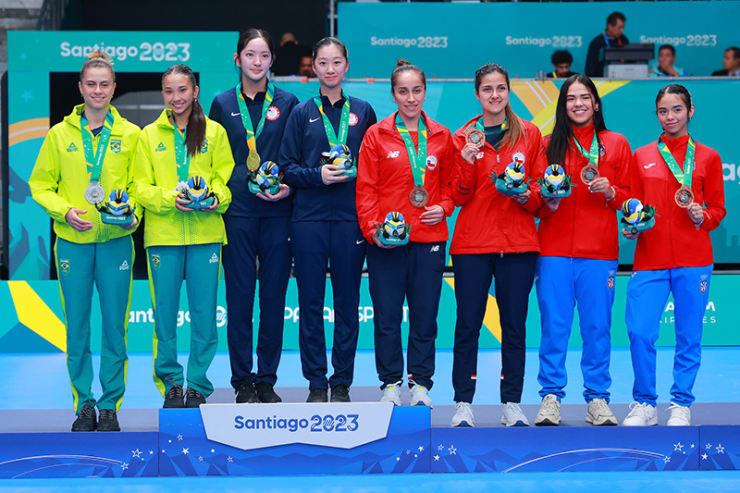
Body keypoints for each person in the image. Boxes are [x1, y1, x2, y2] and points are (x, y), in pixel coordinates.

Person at [29, 50, 141, 432]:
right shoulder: (59, 135)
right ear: (80, 88)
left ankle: (109, 406)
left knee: (114, 327)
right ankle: (84, 404)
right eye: (90, 84)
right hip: (73, 244)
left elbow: (137, 187)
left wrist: (132, 212)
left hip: (115, 242)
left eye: (104, 84)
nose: (97, 90)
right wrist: (64, 211)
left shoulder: (130, 135)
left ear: (113, 88)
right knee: (77, 326)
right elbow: (40, 186)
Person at [449, 63, 546, 428]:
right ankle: (463, 402)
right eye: (487, 89)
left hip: (519, 244)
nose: (494, 95)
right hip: (473, 245)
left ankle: (512, 403)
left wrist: (524, 195)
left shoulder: (530, 134)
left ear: (509, 92)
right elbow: (457, 197)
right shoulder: (464, 137)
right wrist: (467, 164)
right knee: (467, 325)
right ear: (477, 94)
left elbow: (540, 193)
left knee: (515, 327)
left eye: (501, 88)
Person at [280, 37, 377, 403]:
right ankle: (316, 383)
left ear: (346, 65)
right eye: (323, 62)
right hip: (308, 221)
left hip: (351, 220)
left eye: (337, 62)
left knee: (348, 303)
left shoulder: (364, 112)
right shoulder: (301, 112)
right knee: (310, 302)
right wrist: (316, 177)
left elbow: (374, 165)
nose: (330, 69)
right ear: (314, 68)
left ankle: (341, 383)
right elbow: (288, 168)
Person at [622, 84, 725, 426]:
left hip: (694, 259)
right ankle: (645, 403)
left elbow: (718, 210)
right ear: (657, 115)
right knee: (639, 331)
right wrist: (631, 226)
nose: (670, 117)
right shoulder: (641, 156)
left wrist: (703, 216)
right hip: (649, 259)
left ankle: (680, 402)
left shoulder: (708, 157)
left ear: (690, 110)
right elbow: (633, 207)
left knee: (689, 334)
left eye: (677, 109)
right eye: (664, 111)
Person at [133, 64, 234, 409]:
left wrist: (212, 199)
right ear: (163, 94)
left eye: (182, 90)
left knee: (205, 315)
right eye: (168, 91)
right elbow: (139, 188)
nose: (175, 98)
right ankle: (172, 384)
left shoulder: (215, 133)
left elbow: (225, 183)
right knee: (164, 315)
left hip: (206, 235)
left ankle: (199, 386)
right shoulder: (148, 136)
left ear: (195, 91)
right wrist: (167, 200)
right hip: (163, 236)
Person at [534, 74, 631, 427]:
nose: (578, 103)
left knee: (596, 328)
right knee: (554, 327)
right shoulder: (547, 145)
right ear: (563, 105)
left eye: (584, 97)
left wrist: (613, 192)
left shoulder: (616, 143)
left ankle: (598, 399)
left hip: (599, 253)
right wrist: (548, 203)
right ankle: (550, 397)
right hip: (554, 251)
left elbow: (632, 198)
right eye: (571, 98)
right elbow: (534, 199)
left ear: (596, 103)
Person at [356, 60, 454, 407]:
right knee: (386, 315)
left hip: (429, 239)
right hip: (387, 241)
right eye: (403, 91)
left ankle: (421, 384)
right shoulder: (376, 135)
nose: (411, 98)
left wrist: (443, 206)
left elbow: (451, 185)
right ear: (393, 94)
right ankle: (390, 384)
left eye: (417, 90)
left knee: (425, 314)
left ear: (425, 92)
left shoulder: (443, 136)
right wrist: (372, 231)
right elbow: (366, 188)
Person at [209, 29, 299, 404]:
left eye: (264, 55)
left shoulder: (291, 102)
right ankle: (242, 381)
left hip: (278, 212)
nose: (257, 62)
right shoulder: (220, 102)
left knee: (274, 299)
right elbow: (212, 157)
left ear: (272, 61)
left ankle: (267, 379)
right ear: (237, 59)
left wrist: (289, 187)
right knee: (240, 298)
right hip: (239, 214)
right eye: (250, 54)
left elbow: (297, 156)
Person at [585, 11, 629, 77]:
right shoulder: (597, 43)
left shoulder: (624, 39)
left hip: (623, 80)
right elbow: (589, 71)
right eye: (619, 27)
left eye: (623, 27)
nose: (622, 30)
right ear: (610, 26)